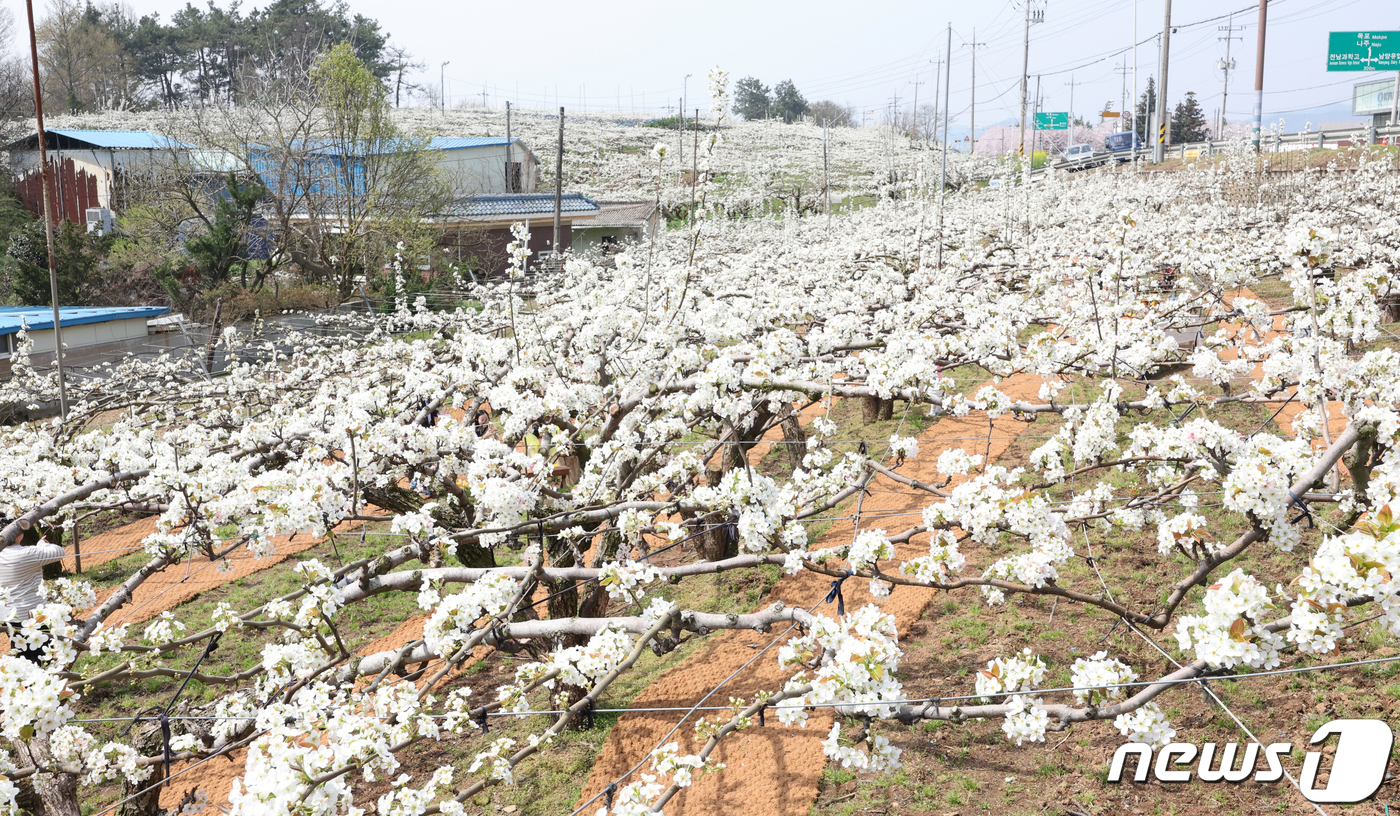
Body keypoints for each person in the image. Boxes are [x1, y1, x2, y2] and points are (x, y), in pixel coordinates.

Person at [0, 535, 67, 662]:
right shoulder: (29, 553)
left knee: (20, 651)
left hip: (9, 615)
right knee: (42, 652)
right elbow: (59, 551)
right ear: (19, 533)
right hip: (35, 614)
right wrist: (42, 545)